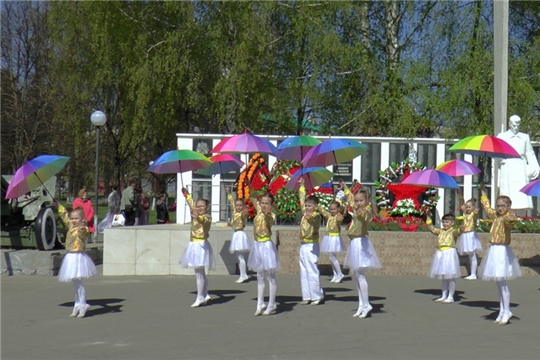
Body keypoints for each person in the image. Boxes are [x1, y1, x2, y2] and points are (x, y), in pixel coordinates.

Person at [478, 185, 521, 325]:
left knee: (503, 283)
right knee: (498, 283)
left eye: (502, 206)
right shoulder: (495, 216)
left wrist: (512, 218)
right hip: (494, 250)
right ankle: (502, 310)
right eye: (498, 206)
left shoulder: (506, 218)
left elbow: (510, 223)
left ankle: (507, 310)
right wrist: (483, 192)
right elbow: (486, 207)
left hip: (502, 251)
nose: (499, 208)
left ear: (508, 207)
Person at [341, 180, 382, 318]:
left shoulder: (367, 210)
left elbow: (364, 217)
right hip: (354, 242)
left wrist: (360, 210)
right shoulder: (356, 207)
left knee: (361, 275)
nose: (358, 203)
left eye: (361, 200)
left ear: (366, 200)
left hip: (361, 243)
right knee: (357, 276)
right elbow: (350, 199)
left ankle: (366, 303)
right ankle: (361, 304)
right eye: (357, 200)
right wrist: (346, 188)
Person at [55, 204, 97, 318]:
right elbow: (65, 216)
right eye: (72, 218)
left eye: (76, 218)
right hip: (70, 256)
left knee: (78, 282)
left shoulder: (82, 229)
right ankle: (77, 304)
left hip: (79, 257)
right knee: (74, 282)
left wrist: (83, 226)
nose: (73, 221)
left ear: (82, 219)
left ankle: (83, 304)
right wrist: (59, 207)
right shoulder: (71, 227)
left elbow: (85, 232)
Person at [246, 182, 280, 316]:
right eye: (263, 203)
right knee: (260, 275)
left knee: (270, 275)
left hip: (266, 245)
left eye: (267, 203)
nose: (264, 205)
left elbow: (268, 219)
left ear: (272, 205)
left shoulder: (271, 216)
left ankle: (271, 304)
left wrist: (267, 212)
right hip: (257, 245)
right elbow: (253, 195)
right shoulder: (259, 211)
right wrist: (249, 183)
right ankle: (260, 303)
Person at [180, 187, 215, 307]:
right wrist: (186, 195)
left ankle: (200, 297)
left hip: (201, 245)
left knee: (199, 272)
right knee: (200, 272)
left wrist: (197, 216)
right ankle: (205, 294)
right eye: (198, 206)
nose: (199, 208)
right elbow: (191, 203)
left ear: (207, 207)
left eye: (202, 206)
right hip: (193, 244)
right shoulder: (196, 212)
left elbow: (203, 220)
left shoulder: (207, 217)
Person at [497, 114, 540, 210]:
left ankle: (521, 218)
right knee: (508, 194)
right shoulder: (502, 136)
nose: (516, 127)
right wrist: (501, 160)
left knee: (521, 196)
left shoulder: (524, 137)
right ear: (509, 124)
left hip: (520, 167)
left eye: (518, 125)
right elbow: (497, 153)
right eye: (514, 125)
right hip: (507, 167)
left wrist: (535, 167)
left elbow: (530, 153)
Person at [297, 180, 324, 305]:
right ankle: (306, 295)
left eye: (309, 206)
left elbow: (313, 219)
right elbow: (302, 199)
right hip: (303, 244)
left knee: (312, 269)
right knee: (303, 270)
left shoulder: (316, 216)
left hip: (312, 245)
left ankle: (316, 296)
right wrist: (302, 185)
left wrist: (310, 216)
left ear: (315, 207)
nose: (307, 208)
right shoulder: (304, 213)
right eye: (306, 206)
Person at [426, 213, 462, 303]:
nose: (445, 224)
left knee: (451, 275)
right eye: (444, 222)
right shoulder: (440, 231)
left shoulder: (453, 231)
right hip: (441, 253)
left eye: (447, 222)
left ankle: (451, 296)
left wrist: (461, 229)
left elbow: (457, 232)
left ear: (452, 223)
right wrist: (428, 220)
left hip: (449, 253)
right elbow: (432, 229)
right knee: (443, 276)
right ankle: (444, 295)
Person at [225, 186, 251, 283]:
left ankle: (243, 275)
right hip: (235, 234)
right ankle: (243, 274)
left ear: (243, 206)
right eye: (237, 205)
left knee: (240, 256)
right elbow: (231, 201)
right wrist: (228, 193)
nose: (238, 207)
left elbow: (245, 214)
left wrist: (245, 212)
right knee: (237, 256)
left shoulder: (242, 213)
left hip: (240, 234)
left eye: (240, 205)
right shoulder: (235, 211)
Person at [456, 190, 482, 280]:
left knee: (472, 254)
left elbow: (475, 215)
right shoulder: (466, 214)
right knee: (470, 255)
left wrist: (475, 212)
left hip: (471, 235)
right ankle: (472, 273)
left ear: (473, 207)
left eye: (469, 207)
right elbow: (461, 203)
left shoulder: (473, 215)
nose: (467, 209)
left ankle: (474, 274)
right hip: (465, 235)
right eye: (466, 207)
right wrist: (459, 194)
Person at [318, 200, 346, 283]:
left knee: (331, 256)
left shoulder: (338, 216)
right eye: (331, 209)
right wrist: (318, 205)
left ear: (338, 209)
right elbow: (323, 211)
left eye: (334, 209)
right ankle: (335, 274)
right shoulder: (330, 216)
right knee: (331, 257)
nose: (332, 211)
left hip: (335, 237)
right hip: (329, 237)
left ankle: (340, 273)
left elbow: (340, 220)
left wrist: (340, 216)